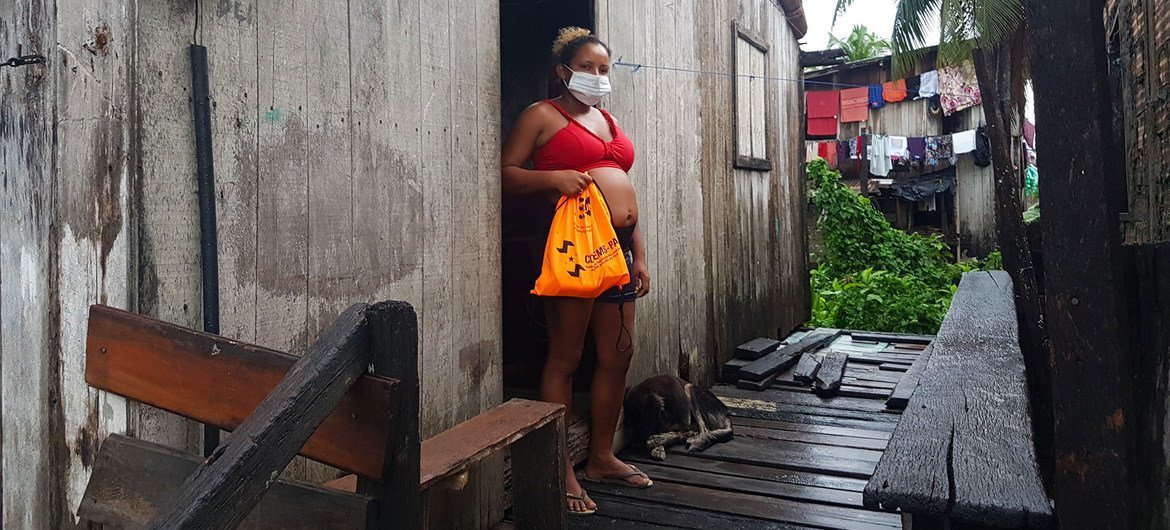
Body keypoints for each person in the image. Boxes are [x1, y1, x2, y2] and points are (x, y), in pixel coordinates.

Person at [501, 26, 652, 515]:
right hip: (574, 248)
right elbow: (506, 173)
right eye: (587, 67)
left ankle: (602, 456)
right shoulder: (542, 116)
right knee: (565, 358)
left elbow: (623, 188)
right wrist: (554, 178)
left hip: (619, 250)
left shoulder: (608, 119)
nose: (596, 76)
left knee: (616, 357)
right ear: (563, 70)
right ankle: (561, 466)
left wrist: (640, 254)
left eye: (604, 69)